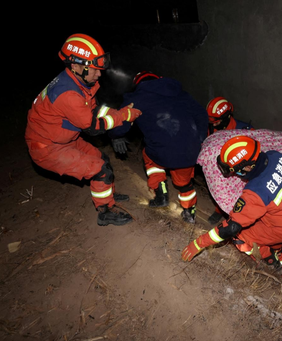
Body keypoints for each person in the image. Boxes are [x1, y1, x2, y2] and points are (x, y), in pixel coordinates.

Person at [25, 33, 141, 226]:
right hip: (47, 147)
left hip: (63, 138)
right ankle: (105, 211)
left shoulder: (81, 82)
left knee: (102, 159)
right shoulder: (68, 94)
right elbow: (94, 127)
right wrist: (123, 117)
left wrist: (116, 112)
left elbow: (94, 110)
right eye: (94, 69)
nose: (99, 74)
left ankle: (107, 193)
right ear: (76, 65)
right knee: (100, 170)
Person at [181, 135, 282, 286]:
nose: (236, 176)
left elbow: (230, 227)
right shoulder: (276, 156)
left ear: (247, 167)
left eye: (236, 172)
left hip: (281, 228)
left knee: (240, 235)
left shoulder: (256, 192)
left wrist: (199, 243)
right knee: (276, 244)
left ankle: (267, 262)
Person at [109, 71, 208, 224]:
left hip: (161, 152)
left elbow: (121, 120)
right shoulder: (181, 93)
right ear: (160, 79)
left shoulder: (138, 98)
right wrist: (200, 139)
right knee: (184, 182)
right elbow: (201, 114)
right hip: (189, 152)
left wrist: (115, 135)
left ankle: (160, 193)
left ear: (139, 84)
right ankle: (189, 212)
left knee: (149, 157)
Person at [205, 96, 254, 225]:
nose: (213, 124)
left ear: (226, 116)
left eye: (216, 121)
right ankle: (219, 210)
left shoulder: (244, 131)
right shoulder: (211, 128)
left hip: (240, 171)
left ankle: (234, 218)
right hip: (222, 170)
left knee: (241, 197)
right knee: (219, 190)